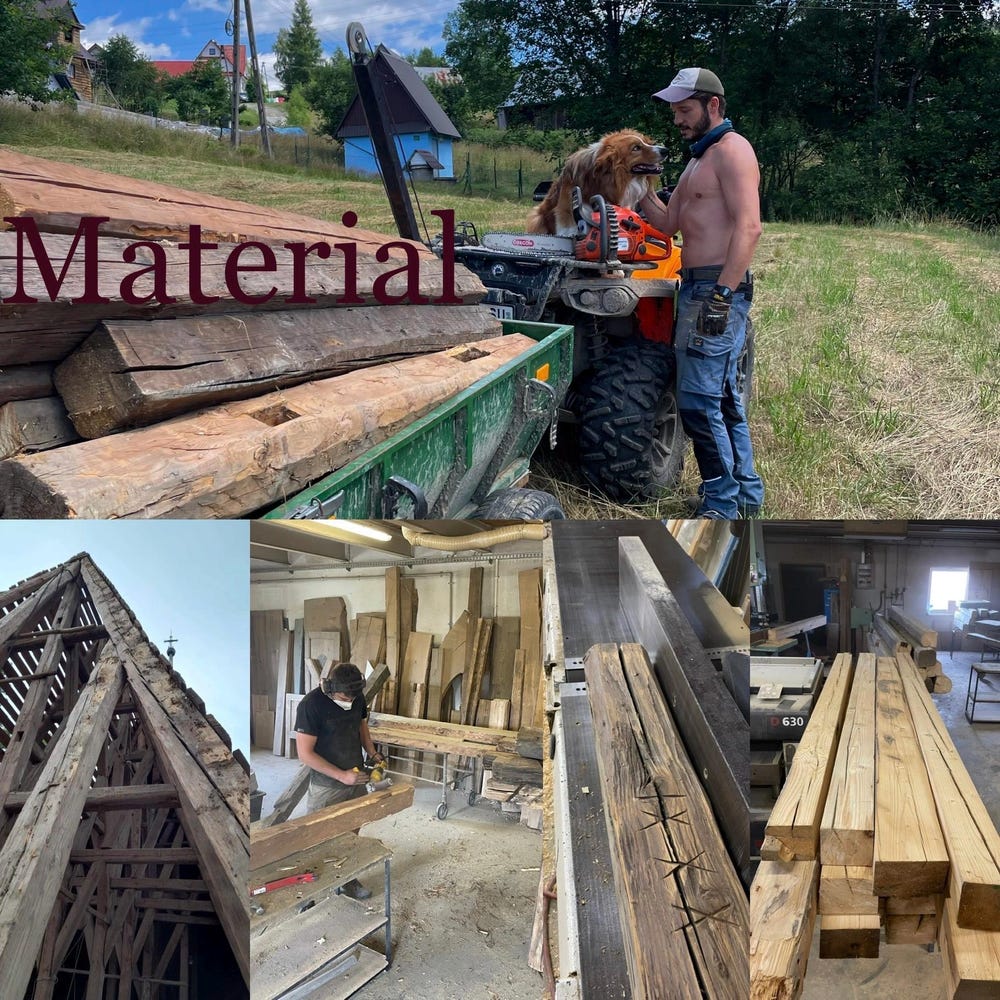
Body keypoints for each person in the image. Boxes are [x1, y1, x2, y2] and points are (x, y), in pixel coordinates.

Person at [639, 67, 765, 519]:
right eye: (674, 111)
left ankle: (721, 503)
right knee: (724, 398)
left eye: (685, 109)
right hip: (695, 286)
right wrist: (638, 185)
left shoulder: (733, 152)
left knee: (696, 400)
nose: (677, 119)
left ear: (713, 105)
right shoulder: (698, 159)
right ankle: (745, 494)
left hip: (715, 288)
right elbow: (668, 224)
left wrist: (722, 295)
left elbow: (750, 227)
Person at [294, 662, 385, 899]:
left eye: (353, 696)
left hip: (356, 777)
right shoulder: (311, 705)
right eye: (345, 696)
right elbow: (305, 754)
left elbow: (361, 726)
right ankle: (311, 893)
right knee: (317, 838)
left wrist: (373, 753)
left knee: (350, 835)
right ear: (331, 688)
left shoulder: (356, 696)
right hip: (327, 785)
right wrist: (341, 775)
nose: (349, 700)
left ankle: (347, 879)